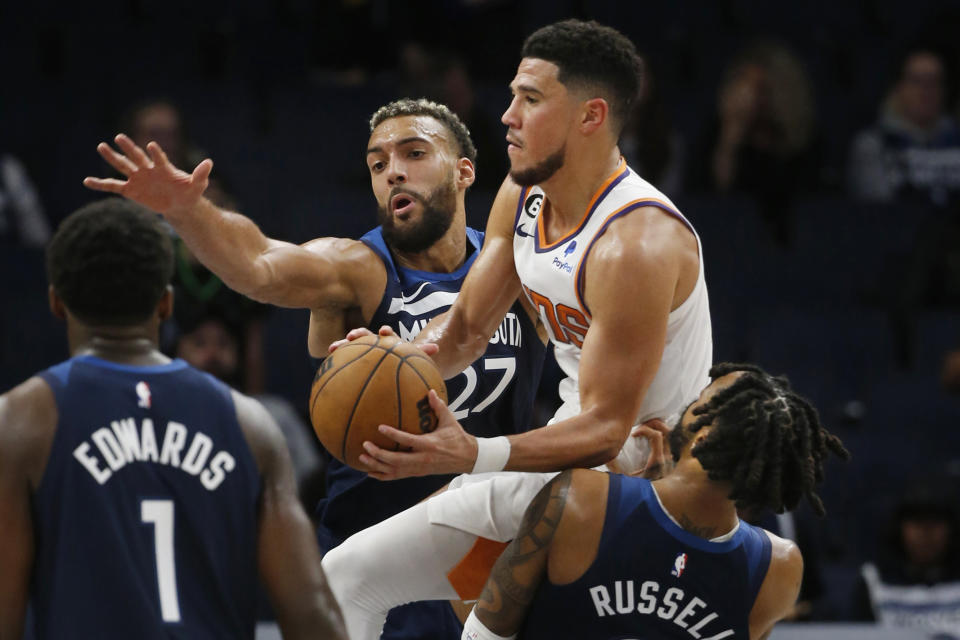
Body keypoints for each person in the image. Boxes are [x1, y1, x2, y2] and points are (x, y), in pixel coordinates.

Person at [84, 98, 546, 639]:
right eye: (377, 164)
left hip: (485, 548)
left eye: (414, 152)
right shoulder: (355, 269)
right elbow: (259, 264)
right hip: (371, 545)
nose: (393, 170)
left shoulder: (519, 270)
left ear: (464, 170)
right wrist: (189, 211)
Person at [322, 19, 712, 639]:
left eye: (530, 99)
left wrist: (474, 454)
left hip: (649, 485)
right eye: (512, 96)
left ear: (590, 116)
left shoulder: (636, 243)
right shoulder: (524, 192)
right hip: (564, 462)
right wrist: (396, 353)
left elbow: (610, 429)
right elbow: (466, 331)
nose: (507, 115)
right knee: (346, 578)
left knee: (485, 628)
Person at [0, 198, 346, 639]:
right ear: (165, 305)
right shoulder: (250, 424)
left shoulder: (19, 422)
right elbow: (312, 614)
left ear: (56, 303)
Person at [461, 363, 850, 640]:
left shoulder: (582, 497)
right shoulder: (779, 567)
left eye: (700, 400)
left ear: (700, 438)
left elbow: (485, 632)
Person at [848, 48, 960, 206]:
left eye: (934, 81)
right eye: (916, 81)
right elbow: (876, 213)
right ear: (898, 87)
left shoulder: (955, 139)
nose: (926, 91)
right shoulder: (873, 145)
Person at [851, 475, 960, 635]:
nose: (926, 533)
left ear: (951, 529)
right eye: (917, 522)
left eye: (935, 522)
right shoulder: (874, 584)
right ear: (899, 528)